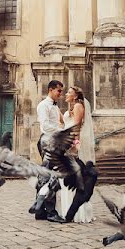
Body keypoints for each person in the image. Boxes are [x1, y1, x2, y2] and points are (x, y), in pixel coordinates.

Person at [55, 86, 97, 223]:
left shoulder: (79, 105)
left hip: (72, 146)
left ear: (75, 95)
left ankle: (77, 213)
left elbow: (77, 127)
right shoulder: (73, 107)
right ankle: (68, 211)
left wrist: (74, 145)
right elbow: (66, 123)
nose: (66, 93)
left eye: (69, 92)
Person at [36, 80, 63, 162]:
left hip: (56, 140)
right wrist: (62, 131)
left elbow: (61, 121)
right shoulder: (43, 105)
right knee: (47, 169)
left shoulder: (54, 105)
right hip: (48, 141)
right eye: (59, 91)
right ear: (51, 90)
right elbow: (45, 126)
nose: (60, 93)